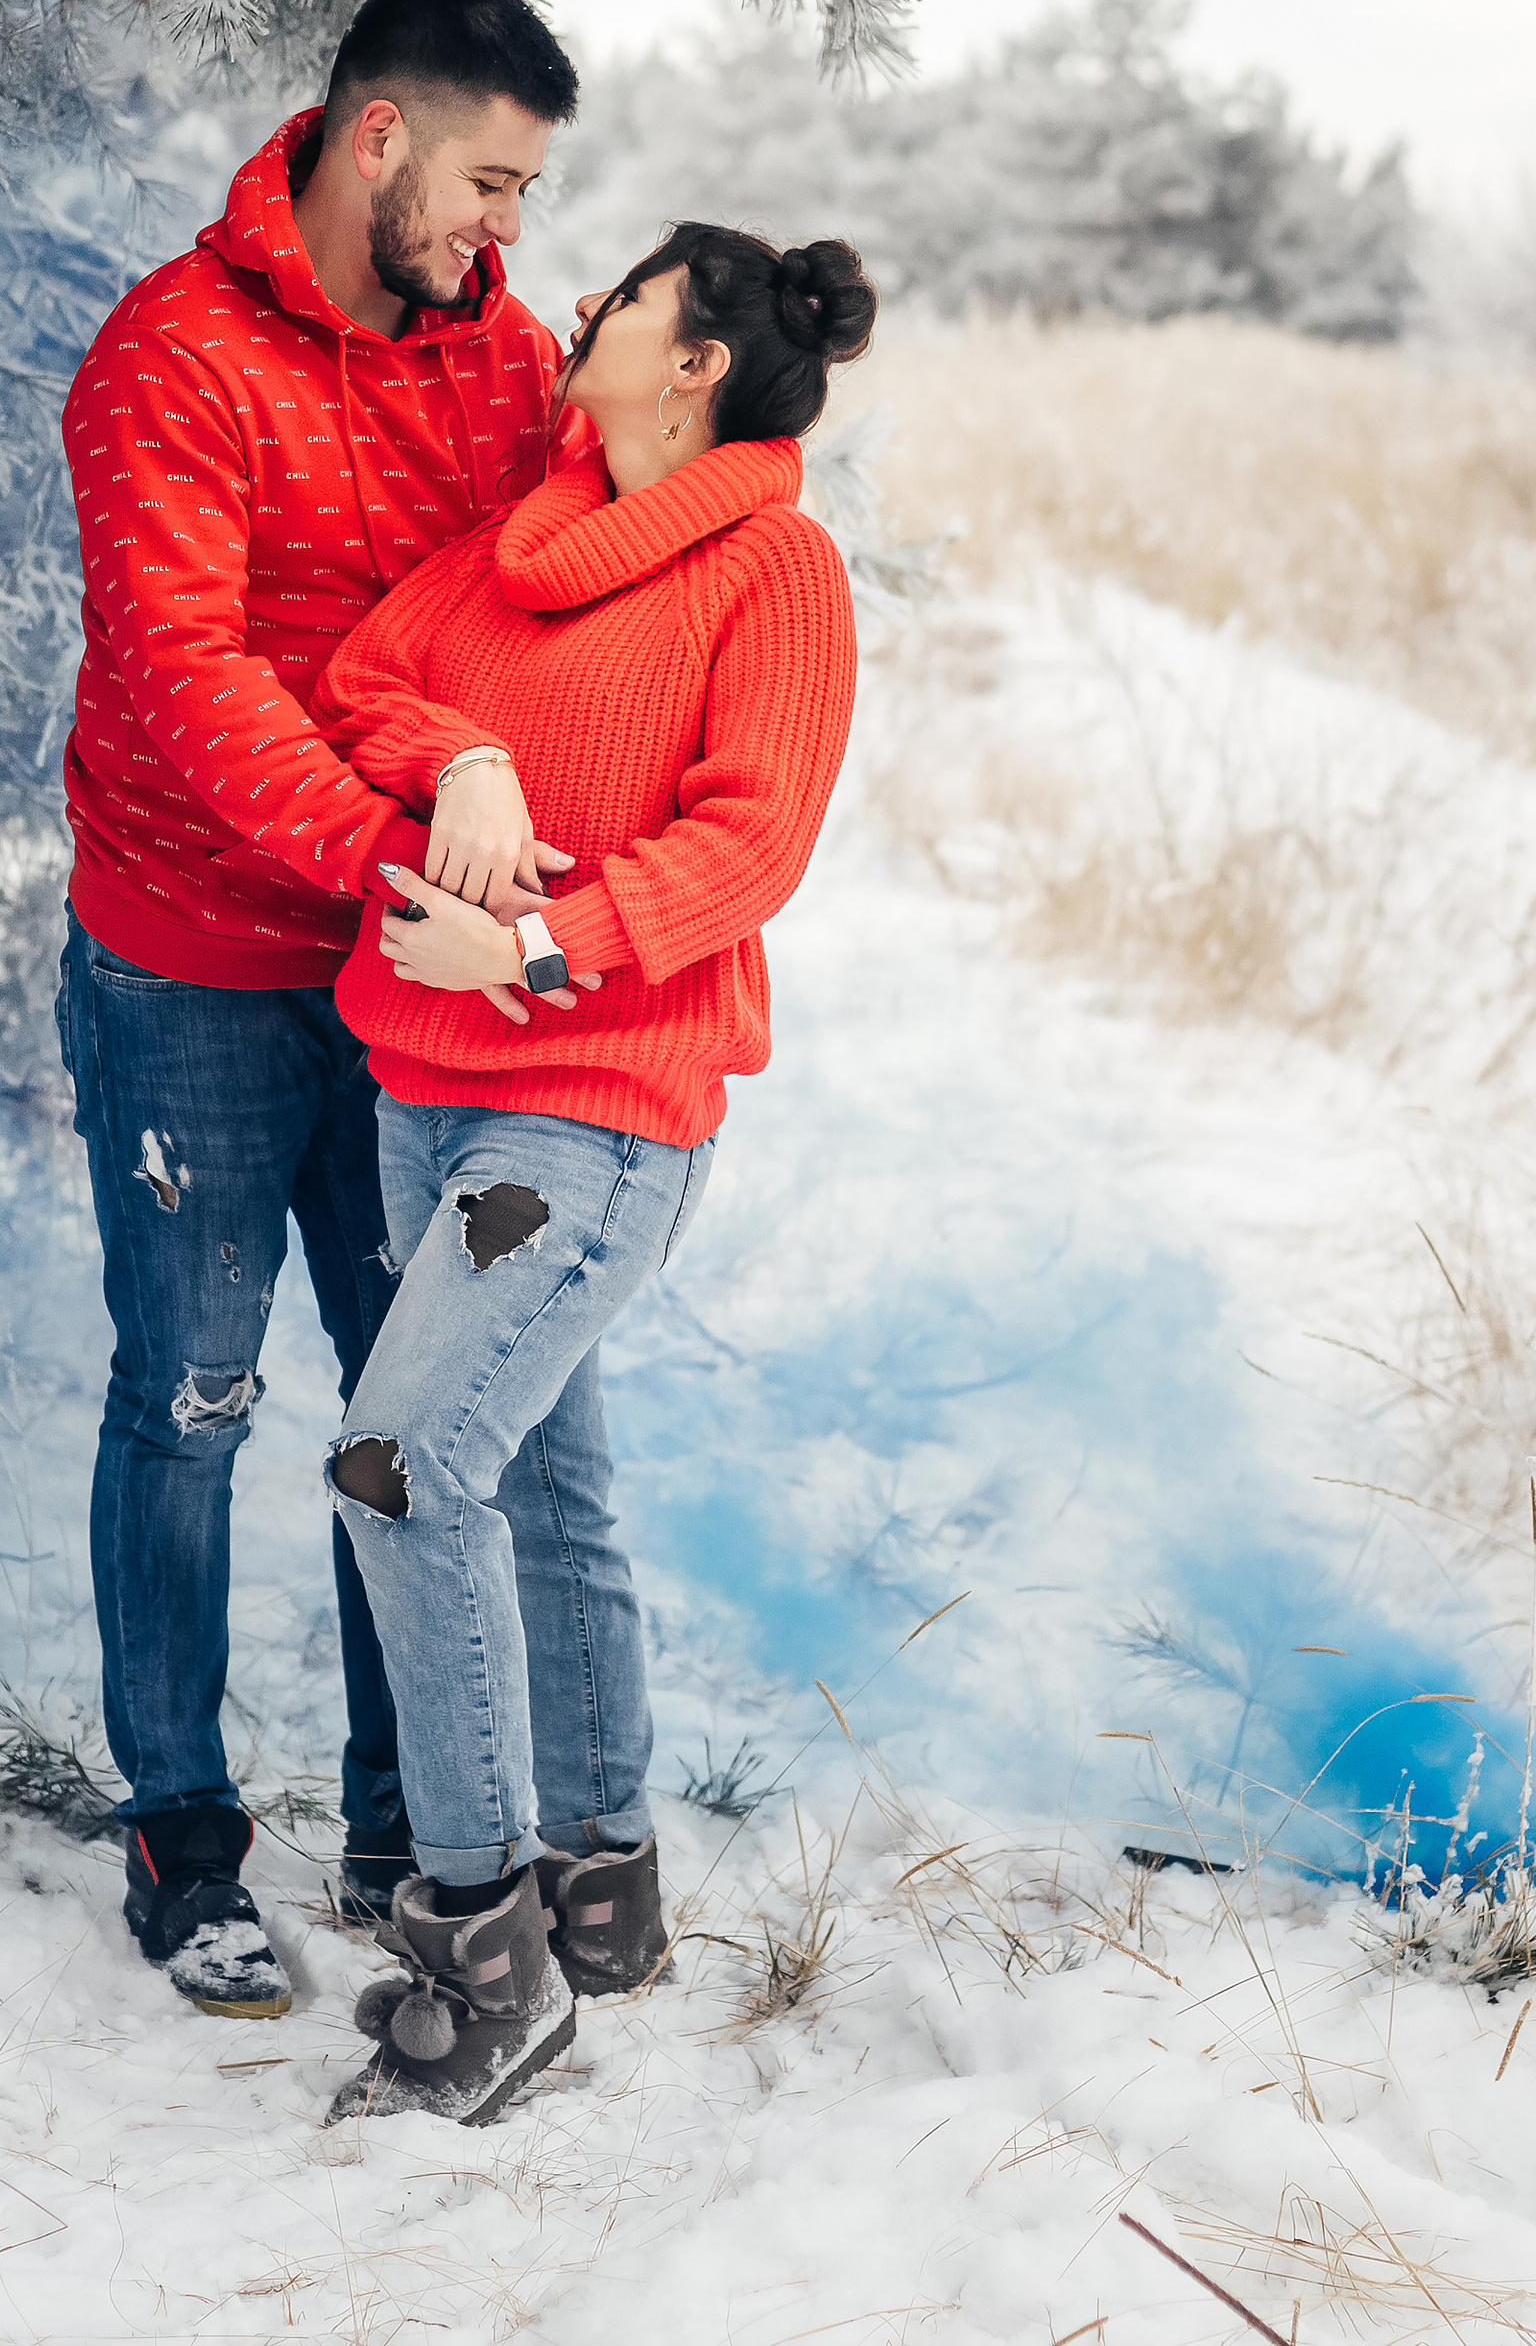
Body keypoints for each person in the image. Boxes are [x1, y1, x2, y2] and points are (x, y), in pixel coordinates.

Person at [56, 0, 586, 2019]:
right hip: (189, 963)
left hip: (403, 1006)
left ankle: (403, 1821)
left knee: (410, 1408)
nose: (503, 232)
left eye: (529, 196)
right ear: (378, 138)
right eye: (485, 181)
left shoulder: (496, 365)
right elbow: (192, 695)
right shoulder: (166, 360)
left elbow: (568, 605)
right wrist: (403, 869)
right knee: (187, 1401)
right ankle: (182, 1837)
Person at [309, 222, 876, 2120]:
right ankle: (604, 1887)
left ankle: (487, 1958)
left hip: (594, 1104)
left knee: (399, 1470)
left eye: (626, 297)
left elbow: (756, 838)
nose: (585, 313)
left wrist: (544, 948)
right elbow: (367, 682)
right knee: (539, 1480)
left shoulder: (773, 567)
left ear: (695, 360)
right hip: (426, 1090)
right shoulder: (516, 554)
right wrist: (467, 760)